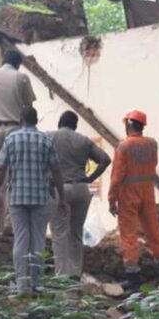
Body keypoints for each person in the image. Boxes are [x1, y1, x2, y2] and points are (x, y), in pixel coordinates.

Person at [0, 106, 65, 295]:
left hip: (17, 197)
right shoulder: (46, 140)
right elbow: (56, 170)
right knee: (38, 239)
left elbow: (0, 169)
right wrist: (62, 196)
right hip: (40, 197)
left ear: (20, 120)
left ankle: (21, 284)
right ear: (36, 120)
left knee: (21, 239)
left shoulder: (11, 139)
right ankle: (37, 283)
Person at [109, 110, 159, 291]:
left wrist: (112, 200)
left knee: (129, 235)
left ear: (128, 125)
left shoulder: (123, 146)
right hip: (147, 193)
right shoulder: (152, 144)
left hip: (128, 195)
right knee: (154, 232)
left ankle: (133, 278)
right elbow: (153, 165)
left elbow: (116, 177)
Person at [48, 111, 111, 279]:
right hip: (81, 189)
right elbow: (105, 159)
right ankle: (75, 273)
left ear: (60, 123)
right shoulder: (83, 140)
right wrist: (91, 178)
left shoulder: (49, 137)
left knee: (59, 233)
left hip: (59, 189)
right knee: (76, 232)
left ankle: (62, 276)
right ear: (75, 126)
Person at [0, 49, 37, 237]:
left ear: (2, 60)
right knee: (13, 177)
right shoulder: (21, 78)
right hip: (15, 129)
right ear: (18, 64)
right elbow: (28, 107)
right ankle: (8, 223)